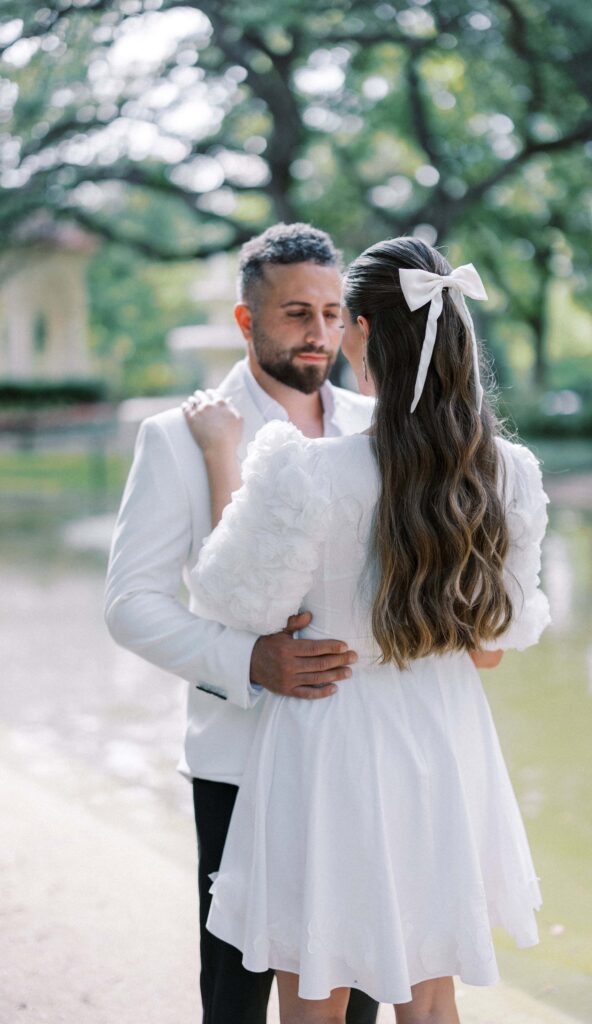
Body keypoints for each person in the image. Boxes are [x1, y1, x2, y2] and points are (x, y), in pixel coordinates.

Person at [186, 236, 551, 1024]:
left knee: (318, 993)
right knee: (428, 998)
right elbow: (491, 647)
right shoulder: (507, 472)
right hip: (445, 742)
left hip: (329, 739)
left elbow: (230, 602)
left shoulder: (306, 469)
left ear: (359, 331)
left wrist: (224, 460)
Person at [104, 223, 379, 1024]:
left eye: (332, 313)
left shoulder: (378, 428)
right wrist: (247, 659)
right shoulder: (176, 437)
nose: (319, 333)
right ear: (244, 320)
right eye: (296, 313)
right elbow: (130, 604)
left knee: (357, 976)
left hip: (361, 754)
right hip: (241, 756)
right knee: (234, 995)